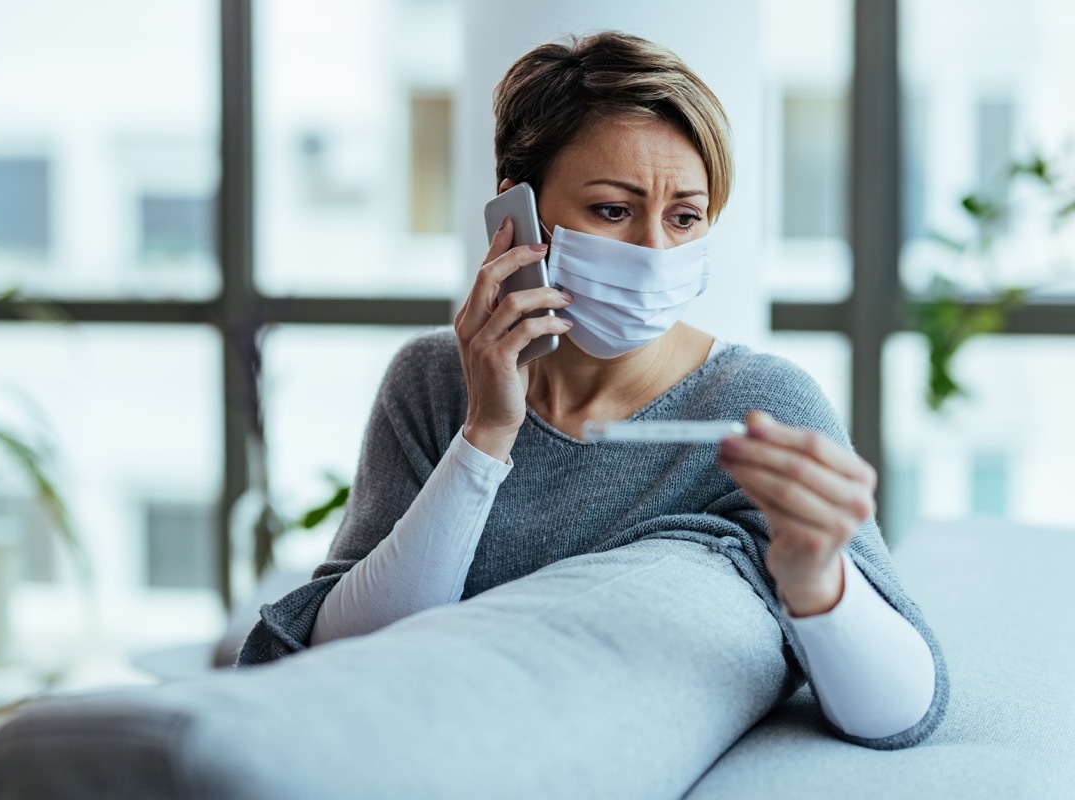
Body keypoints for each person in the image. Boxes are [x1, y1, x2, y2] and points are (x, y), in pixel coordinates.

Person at [239, 31, 947, 752]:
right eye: (613, 210)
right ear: (518, 214)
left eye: (684, 217)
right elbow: (333, 650)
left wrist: (817, 579)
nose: (653, 254)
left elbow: (901, 712)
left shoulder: (759, 403)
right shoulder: (430, 381)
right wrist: (484, 435)